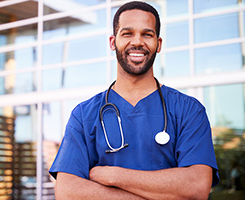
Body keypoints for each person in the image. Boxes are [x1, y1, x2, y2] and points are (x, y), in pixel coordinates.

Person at [49, 1, 219, 199]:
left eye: (147, 34)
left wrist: (113, 175)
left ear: (159, 44)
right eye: (127, 33)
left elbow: (196, 186)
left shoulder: (189, 110)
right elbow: (68, 192)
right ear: (113, 42)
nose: (137, 41)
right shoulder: (84, 115)